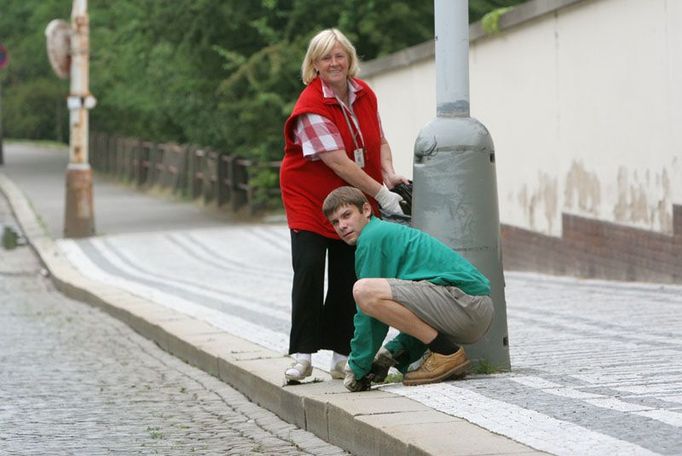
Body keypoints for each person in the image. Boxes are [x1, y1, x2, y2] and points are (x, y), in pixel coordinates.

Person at [279, 28, 409, 383]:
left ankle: (341, 356)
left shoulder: (364, 93)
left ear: (350, 59)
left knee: (348, 271)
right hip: (309, 195)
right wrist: (381, 195)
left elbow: (377, 139)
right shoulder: (310, 107)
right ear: (315, 65)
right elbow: (338, 162)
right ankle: (302, 357)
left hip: (349, 193)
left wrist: (389, 173)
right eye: (326, 57)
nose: (334, 63)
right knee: (308, 268)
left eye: (340, 55)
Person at [322, 186, 495, 391]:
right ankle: (439, 354)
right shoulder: (381, 233)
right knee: (377, 293)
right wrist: (391, 352)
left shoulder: (372, 238)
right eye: (335, 222)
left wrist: (357, 367)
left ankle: (447, 353)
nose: (342, 225)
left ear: (366, 210)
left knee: (364, 291)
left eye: (347, 215)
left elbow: (369, 315)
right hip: (467, 309)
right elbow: (417, 309)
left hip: (467, 304)